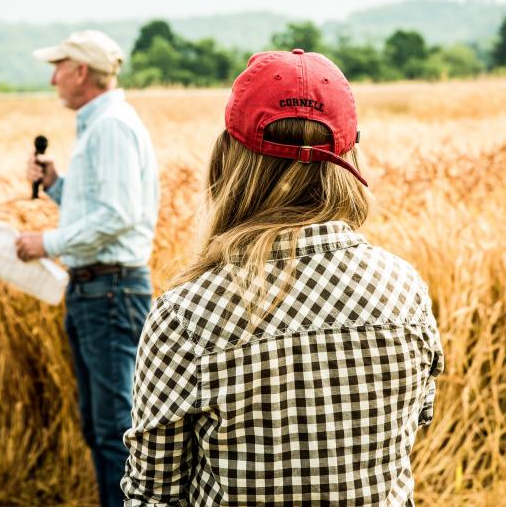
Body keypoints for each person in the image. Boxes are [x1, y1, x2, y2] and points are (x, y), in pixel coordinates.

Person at [121, 49, 444, 506]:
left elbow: (152, 494)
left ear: (230, 160)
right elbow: (411, 429)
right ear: (347, 156)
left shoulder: (186, 315)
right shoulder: (405, 290)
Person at [15, 30, 160, 507]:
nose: (52, 77)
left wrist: (47, 243)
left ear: (81, 71)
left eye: (58, 66)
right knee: (101, 428)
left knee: (117, 428)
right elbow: (103, 207)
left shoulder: (111, 125)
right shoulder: (100, 124)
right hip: (99, 290)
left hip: (110, 290)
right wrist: (58, 186)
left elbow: (120, 214)